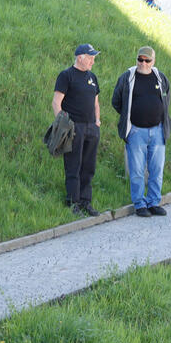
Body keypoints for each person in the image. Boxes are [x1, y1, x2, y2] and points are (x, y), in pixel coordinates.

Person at [111, 46, 171, 217]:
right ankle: (139, 204)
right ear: (137, 59)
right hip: (136, 131)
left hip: (158, 130)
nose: (143, 63)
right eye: (140, 59)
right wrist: (128, 118)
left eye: (147, 60)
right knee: (137, 170)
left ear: (154, 61)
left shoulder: (160, 77)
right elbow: (116, 101)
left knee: (156, 169)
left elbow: (166, 98)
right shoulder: (128, 77)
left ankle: (153, 202)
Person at [53, 43, 102, 216]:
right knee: (74, 165)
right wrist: (62, 124)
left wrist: (97, 121)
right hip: (74, 127)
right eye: (90, 58)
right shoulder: (66, 76)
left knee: (89, 166)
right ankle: (73, 203)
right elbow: (56, 102)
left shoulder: (92, 77)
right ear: (80, 57)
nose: (92, 62)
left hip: (91, 127)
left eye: (93, 58)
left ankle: (85, 202)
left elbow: (96, 102)